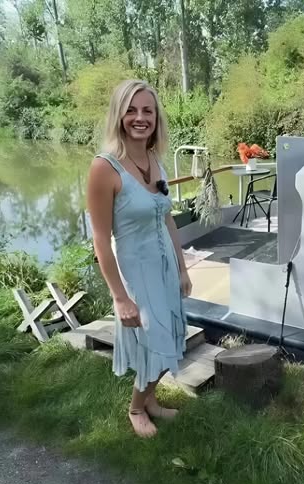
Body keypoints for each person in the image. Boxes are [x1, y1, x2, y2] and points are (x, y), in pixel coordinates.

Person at [86, 79, 192, 438]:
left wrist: (182, 268)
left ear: (156, 117)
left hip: (164, 270)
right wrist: (119, 297)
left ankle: (149, 400)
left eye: (147, 110)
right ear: (119, 115)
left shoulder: (154, 159)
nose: (140, 117)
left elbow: (167, 218)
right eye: (131, 110)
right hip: (136, 274)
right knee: (153, 341)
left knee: (173, 336)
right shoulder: (105, 168)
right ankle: (135, 408)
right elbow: (100, 239)